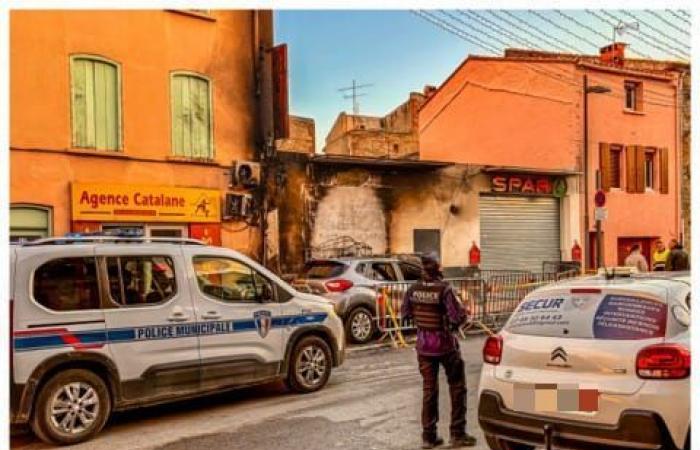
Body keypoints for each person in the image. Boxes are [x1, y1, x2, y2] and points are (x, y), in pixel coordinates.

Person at [401, 253, 477, 449]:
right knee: (457, 387)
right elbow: (456, 317)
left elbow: (406, 314)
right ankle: (457, 434)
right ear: (437, 269)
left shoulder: (413, 289)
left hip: (424, 347)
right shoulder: (445, 289)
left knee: (429, 391)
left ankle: (429, 437)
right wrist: (464, 314)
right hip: (445, 345)